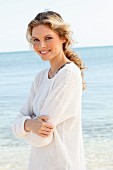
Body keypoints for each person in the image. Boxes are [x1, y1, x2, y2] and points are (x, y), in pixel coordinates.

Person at [13, 10, 86, 170]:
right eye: (36, 40)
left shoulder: (68, 73)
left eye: (48, 38)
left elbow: (41, 138)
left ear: (63, 38)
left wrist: (25, 125)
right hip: (38, 164)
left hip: (62, 163)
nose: (42, 46)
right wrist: (30, 124)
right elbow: (17, 123)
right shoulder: (40, 78)